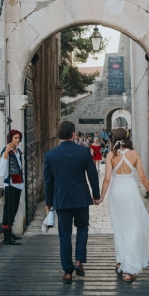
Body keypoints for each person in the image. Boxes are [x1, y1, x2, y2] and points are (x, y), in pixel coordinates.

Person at [96, 128, 149, 282]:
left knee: (119, 227)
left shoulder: (110, 155)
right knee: (133, 227)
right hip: (130, 191)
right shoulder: (134, 154)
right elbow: (143, 178)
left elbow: (107, 178)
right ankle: (129, 269)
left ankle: (120, 261)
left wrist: (101, 197)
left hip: (116, 193)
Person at [44, 121, 100, 284]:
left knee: (65, 234)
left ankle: (67, 271)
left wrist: (49, 202)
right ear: (73, 134)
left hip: (61, 199)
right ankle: (79, 261)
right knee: (82, 227)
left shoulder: (50, 155)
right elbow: (92, 175)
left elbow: (48, 181)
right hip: (81, 198)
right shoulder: (83, 152)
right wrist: (95, 195)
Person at [0, 129, 24, 246]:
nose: (18, 140)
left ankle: (10, 232)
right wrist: (6, 153)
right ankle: (7, 237)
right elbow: (2, 172)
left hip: (18, 184)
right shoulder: (7, 151)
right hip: (10, 185)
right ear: (10, 139)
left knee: (13, 210)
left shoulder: (18, 151)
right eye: (15, 138)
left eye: (19, 138)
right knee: (8, 211)